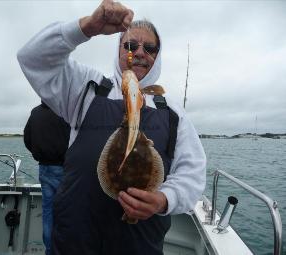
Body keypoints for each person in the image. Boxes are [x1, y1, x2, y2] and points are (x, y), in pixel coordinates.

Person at [17, 0, 206, 254]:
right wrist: (86, 27)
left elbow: (192, 174)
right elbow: (32, 58)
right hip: (75, 241)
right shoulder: (87, 88)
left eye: (149, 48)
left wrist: (163, 199)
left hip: (139, 244)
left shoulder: (172, 112)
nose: (139, 52)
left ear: (157, 56)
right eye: (130, 45)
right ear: (118, 49)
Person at [23, 101, 70, 255]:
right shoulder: (66, 110)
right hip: (66, 169)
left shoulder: (35, 112)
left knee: (48, 211)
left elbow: (27, 139)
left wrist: (40, 153)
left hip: (44, 168)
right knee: (68, 211)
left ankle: (49, 250)